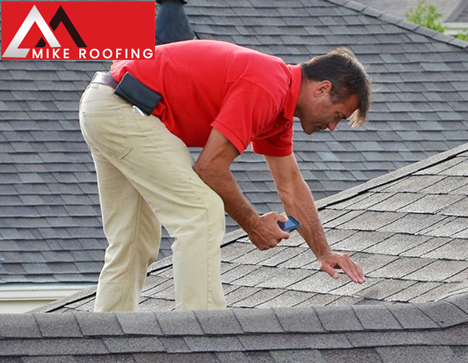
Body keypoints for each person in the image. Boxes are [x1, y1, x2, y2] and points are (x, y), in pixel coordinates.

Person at [78, 39, 370, 312]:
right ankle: (202, 338)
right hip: (125, 109)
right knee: (202, 212)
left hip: (107, 104)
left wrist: (323, 253)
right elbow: (210, 168)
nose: (332, 127)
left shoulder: (278, 109)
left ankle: (106, 335)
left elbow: (291, 185)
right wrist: (253, 225)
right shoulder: (268, 85)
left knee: (133, 241)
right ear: (322, 89)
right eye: (337, 116)